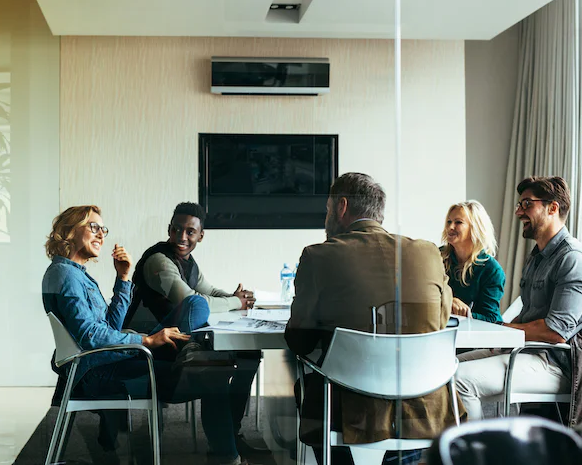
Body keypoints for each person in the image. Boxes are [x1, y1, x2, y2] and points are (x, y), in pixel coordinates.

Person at [42, 205, 254, 465]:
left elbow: (110, 327)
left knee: (198, 316)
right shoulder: (66, 276)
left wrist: (123, 278)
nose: (100, 235)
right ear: (68, 232)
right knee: (214, 376)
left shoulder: (73, 274)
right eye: (93, 227)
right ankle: (228, 458)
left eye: (102, 229)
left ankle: (191, 357)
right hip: (101, 373)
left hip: (109, 362)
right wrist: (146, 340)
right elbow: (90, 336)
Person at [285, 172, 462, 465]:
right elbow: (439, 322)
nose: (326, 217)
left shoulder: (318, 256)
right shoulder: (428, 252)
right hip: (426, 406)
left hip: (351, 412)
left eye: (328, 210)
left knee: (305, 383)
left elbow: (300, 340)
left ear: (342, 206)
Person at [124, 202, 269, 460]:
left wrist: (236, 297)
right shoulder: (159, 260)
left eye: (190, 232)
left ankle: (231, 432)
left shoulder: (189, 262)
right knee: (196, 311)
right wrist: (236, 303)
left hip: (178, 340)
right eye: (177, 230)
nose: (182, 237)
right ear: (169, 230)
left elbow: (209, 291)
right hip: (149, 343)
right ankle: (226, 449)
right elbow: (192, 300)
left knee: (249, 352)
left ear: (200, 235)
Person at [456, 176, 582, 423]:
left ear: (552, 208)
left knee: (460, 378)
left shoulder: (572, 259)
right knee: (444, 368)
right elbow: (527, 314)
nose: (517, 211)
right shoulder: (536, 257)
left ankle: (473, 455)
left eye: (526, 204)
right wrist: (502, 335)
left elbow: (555, 331)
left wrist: (503, 331)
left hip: (555, 363)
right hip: (526, 351)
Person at [440, 200, 505, 322]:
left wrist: (464, 313)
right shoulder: (437, 257)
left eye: (458, 222)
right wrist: (449, 301)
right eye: (449, 221)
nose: (450, 227)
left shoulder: (491, 270)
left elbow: (492, 318)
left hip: (471, 335)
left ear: (476, 228)